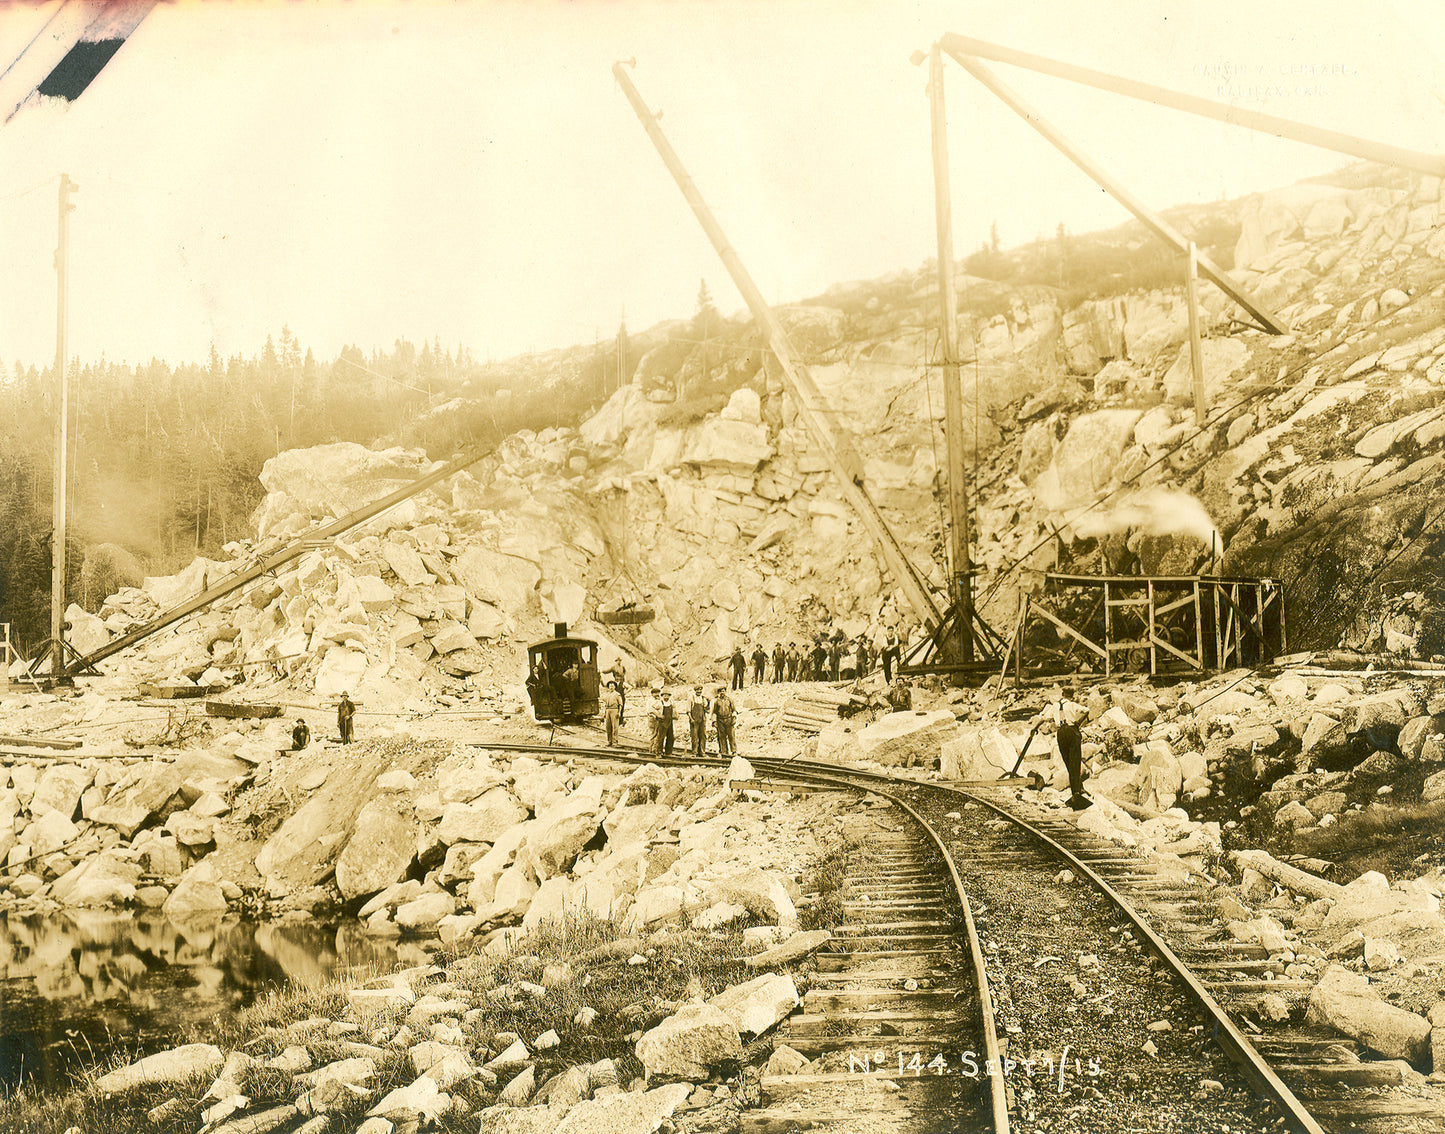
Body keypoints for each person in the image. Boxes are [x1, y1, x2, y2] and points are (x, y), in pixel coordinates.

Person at [1057, 699, 1090, 810]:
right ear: (1070, 696)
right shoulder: (1071, 704)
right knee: (1075, 762)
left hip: (1061, 732)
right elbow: (1086, 710)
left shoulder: (1054, 706)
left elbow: (1043, 717)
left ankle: (1076, 790)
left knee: (1068, 763)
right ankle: (1076, 792)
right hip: (1072, 731)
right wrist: (1078, 722)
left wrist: (1034, 728)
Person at [688, 685, 710, 756]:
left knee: (703, 736)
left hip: (702, 720)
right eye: (698, 690)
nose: (699, 691)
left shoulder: (703, 698)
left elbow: (707, 710)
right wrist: (691, 719)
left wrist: (708, 702)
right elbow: (688, 711)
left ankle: (702, 752)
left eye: (700, 690)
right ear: (695, 690)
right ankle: (694, 752)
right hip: (694, 720)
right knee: (694, 736)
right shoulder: (691, 698)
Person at [715, 686, 736, 755]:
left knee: (731, 736)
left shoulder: (729, 700)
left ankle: (734, 751)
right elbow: (714, 712)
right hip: (720, 720)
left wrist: (734, 718)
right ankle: (724, 752)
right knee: (721, 737)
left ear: (725, 692)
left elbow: (734, 710)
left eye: (723, 691)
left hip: (729, 720)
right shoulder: (717, 701)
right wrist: (714, 721)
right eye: (720, 691)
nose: (722, 693)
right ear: (719, 693)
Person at [601, 680, 623, 747]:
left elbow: (620, 704)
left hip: (614, 710)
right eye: (610, 686)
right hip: (608, 710)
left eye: (612, 686)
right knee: (608, 727)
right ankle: (609, 741)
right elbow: (605, 703)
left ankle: (615, 742)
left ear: (615, 687)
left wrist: (619, 712)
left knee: (615, 727)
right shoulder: (608, 694)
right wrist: (604, 713)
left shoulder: (617, 694)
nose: (611, 687)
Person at [606, 658, 628, 723]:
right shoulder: (614, 668)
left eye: (620, 660)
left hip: (621, 694)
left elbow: (625, 674)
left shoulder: (623, 668)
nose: (619, 662)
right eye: (618, 661)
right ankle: (615, 720)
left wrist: (625, 692)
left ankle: (620, 720)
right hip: (616, 695)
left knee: (621, 707)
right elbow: (607, 671)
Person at [647, 688, 665, 756]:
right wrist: (658, 714)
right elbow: (650, 710)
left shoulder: (660, 700)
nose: (657, 694)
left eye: (658, 693)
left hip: (659, 719)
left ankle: (656, 748)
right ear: (652, 694)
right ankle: (651, 749)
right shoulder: (650, 701)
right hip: (653, 718)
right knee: (653, 733)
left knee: (658, 734)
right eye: (655, 693)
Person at [660, 689, 676, 754]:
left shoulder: (671, 702)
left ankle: (668, 752)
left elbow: (674, 710)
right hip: (662, 722)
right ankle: (659, 751)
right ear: (662, 696)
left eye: (667, 696)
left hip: (670, 721)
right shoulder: (660, 702)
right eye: (665, 695)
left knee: (670, 737)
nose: (666, 697)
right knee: (661, 737)